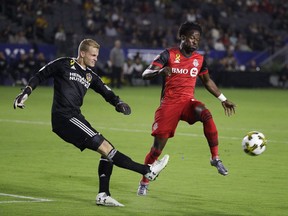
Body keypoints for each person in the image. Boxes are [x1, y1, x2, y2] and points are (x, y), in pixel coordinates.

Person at [13, 38, 169, 206]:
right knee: (108, 149)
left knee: (108, 153)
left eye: (97, 55)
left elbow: (105, 91)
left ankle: (103, 195)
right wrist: (26, 93)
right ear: (82, 53)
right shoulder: (65, 64)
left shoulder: (90, 75)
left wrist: (118, 102)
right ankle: (148, 171)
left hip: (75, 117)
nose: (96, 58)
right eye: (93, 55)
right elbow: (40, 75)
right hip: (64, 117)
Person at [137, 22, 236, 196]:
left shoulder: (199, 59)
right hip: (169, 105)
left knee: (205, 114)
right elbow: (145, 74)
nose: (195, 42)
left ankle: (215, 158)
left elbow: (207, 81)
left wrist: (223, 99)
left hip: (188, 102)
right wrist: (160, 72)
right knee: (157, 149)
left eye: (198, 39)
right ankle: (144, 182)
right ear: (182, 37)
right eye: (192, 38)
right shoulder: (168, 54)